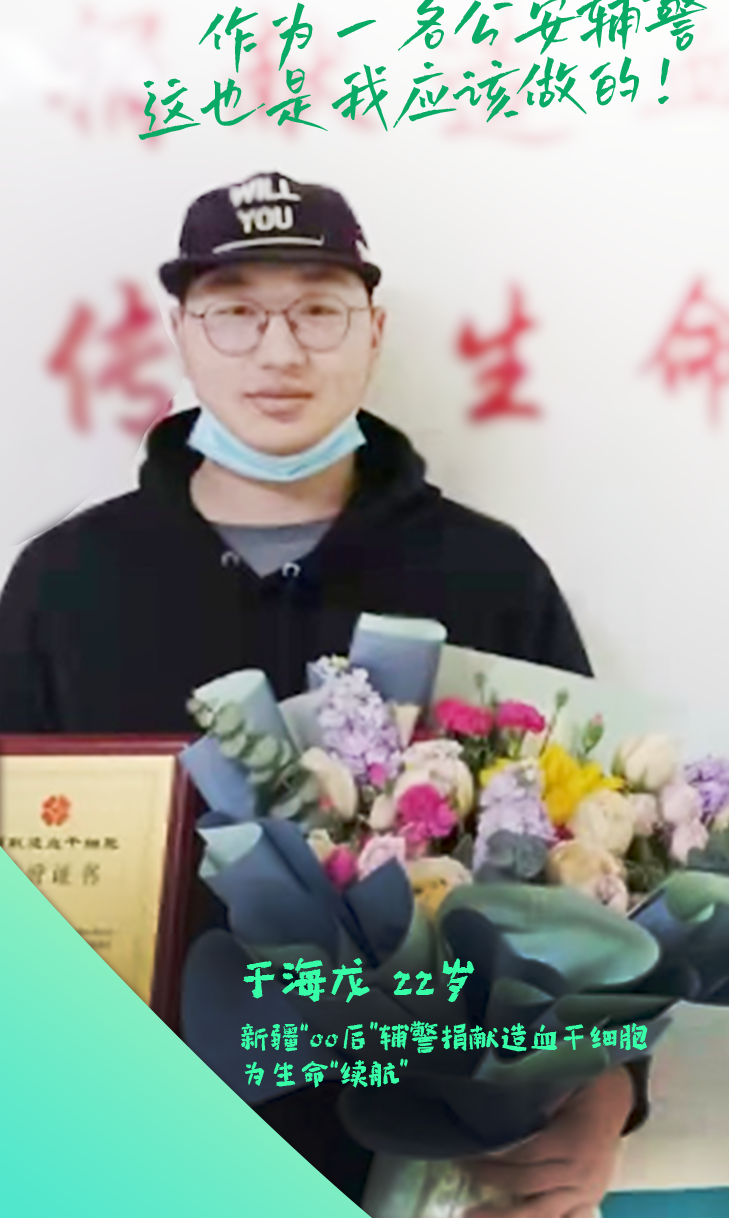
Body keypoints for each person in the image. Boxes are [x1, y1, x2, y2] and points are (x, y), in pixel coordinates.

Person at [0, 171, 646, 1214]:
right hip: (126, 1145)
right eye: (235, 312)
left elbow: (604, 861)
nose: (279, 351)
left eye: (317, 310)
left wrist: (608, 1089)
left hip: (421, 1158)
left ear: (373, 331)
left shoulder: (487, 574)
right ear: (180, 332)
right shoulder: (66, 584)